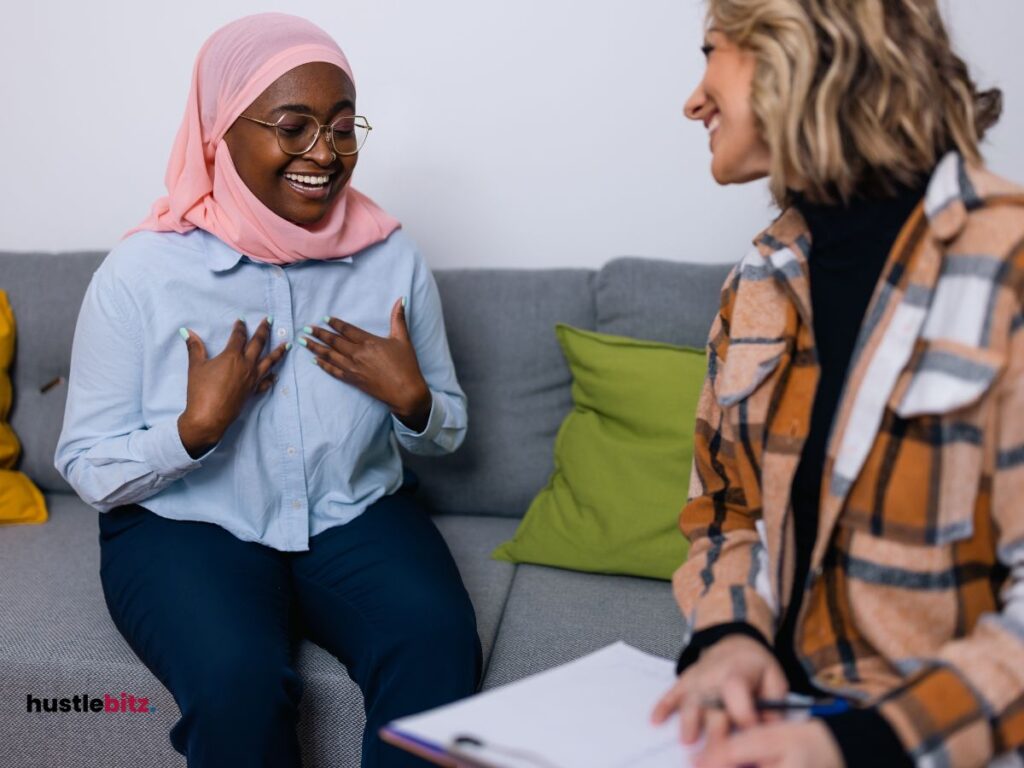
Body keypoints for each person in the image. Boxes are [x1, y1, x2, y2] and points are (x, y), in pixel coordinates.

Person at [54, 13, 480, 768]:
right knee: (235, 686)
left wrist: (413, 400)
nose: (325, 153)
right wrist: (192, 431)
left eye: (344, 127)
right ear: (221, 129)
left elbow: (448, 429)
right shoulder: (141, 274)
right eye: (295, 126)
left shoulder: (392, 259)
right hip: (183, 525)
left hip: (356, 512)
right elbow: (87, 463)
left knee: (437, 648)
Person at [650, 1, 1024, 766]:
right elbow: (725, 511)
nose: (693, 98)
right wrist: (727, 639)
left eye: (712, 51)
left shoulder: (1007, 265)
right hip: (779, 724)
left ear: (796, 50)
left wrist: (861, 746)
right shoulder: (757, 278)